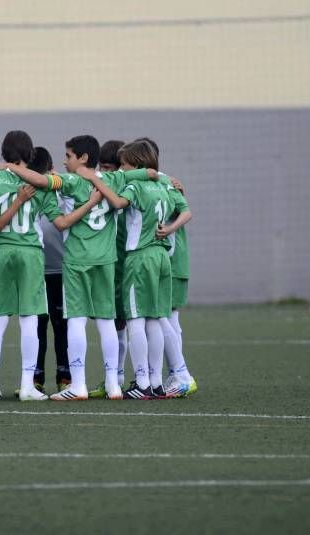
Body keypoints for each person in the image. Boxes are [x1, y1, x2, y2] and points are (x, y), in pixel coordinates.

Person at [6, 135, 154, 401]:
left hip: (77, 261)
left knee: (76, 320)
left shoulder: (72, 181)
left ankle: (79, 385)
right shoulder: (115, 179)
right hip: (106, 261)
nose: (65, 161)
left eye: (69, 156)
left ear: (83, 158)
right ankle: (113, 385)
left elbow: (39, 181)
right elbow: (151, 172)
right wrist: (165, 178)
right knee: (107, 322)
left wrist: (10, 165)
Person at [77, 141, 189, 399]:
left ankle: (141, 382)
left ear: (136, 164)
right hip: (162, 258)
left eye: (125, 164)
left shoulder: (135, 186)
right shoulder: (164, 185)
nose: (122, 169)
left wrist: (97, 183)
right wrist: (170, 229)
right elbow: (186, 210)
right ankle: (157, 382)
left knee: (136, 320)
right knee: (155, 319)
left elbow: (117, 202)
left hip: (139, 258)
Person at [134, 137, 197, 397]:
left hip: (168, 261)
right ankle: (175, 374)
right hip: (167, 262)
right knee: (167, 318)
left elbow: (184, 214)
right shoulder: (166, 184)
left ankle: (181, 374)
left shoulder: (159, 183)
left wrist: (169, 228)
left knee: (164, 318)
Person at [88, 139, 126, 398]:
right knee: (116, 321)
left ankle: (160, 376)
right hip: (111, 261)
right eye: (101, 167)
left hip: (128, 262)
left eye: (110, 168)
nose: (105, 173)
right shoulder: (101, 185)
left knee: (134, 321)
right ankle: (117, 378)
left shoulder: (126, 186)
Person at [32, 147, 71, 393]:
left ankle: (64, 374)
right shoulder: (24, 191)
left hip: (60, 270)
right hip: (35, 271)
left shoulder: (62, 189)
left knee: (61, 326)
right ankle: (35, 376)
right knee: (37, 326)